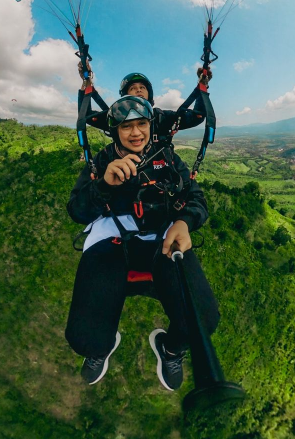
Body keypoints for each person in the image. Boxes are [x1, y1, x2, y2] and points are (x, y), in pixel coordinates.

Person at [65, 96, 219, 390]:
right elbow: (78, 211)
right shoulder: (101, 161)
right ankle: (101, 347)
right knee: (83, 339)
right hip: (111, 241)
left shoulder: (169, 158)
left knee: (203, 321)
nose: (136, 133)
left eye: (141, 124)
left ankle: (171, 350)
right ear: (115, 131)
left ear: (150, 125)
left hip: (163, 238)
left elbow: (196, 199)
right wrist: (103, 185)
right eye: (126, 127)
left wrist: (184, 222)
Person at [81, 69, 210, 141]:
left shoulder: (162, 117)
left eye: (142, 87)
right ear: (126, 95)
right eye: (133, 88)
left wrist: (203, 87)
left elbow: (196, 117)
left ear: (149, 93)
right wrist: (85, 85)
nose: (139, 90)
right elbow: (86, 116)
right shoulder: (117, 117)